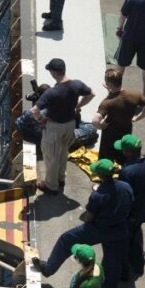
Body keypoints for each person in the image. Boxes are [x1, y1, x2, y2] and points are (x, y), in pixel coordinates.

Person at [33, 159, 132, 288]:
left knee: (66, 239)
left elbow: (88, 217)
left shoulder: (97, 195)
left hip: (98, 229)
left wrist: (83, 216)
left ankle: (48, 269)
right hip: (119, 229)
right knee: (112, 265)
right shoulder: (126, 187)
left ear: (99, 175)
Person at [31, 58, 94, 194]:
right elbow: (91, 94)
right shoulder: (77, 85)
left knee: (51, 156)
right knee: (63, 152)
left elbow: (34, 110)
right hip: (70, 125)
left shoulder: (52, 92)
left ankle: (51, 186)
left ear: (53, 72)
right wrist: (78, 106)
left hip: (55, 127)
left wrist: (40, 119)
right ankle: (60, 179)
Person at [116, 134, 145, 281]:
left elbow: (123, 196)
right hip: (142, 209)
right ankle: (139, 266)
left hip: (129, 214)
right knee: (137, 239)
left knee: (123, 243)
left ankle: (123, 273)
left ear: (128, 153)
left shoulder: (127, 172)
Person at [92, 70, 145, 162]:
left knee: (106, 158)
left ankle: (106, 172)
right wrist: (138, 118)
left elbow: (95, 120)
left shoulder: (107, 103)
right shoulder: (134, 94)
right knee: (123, 154)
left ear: (108, 83)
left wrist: (101, 126)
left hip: (110, 134)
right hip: (126, 130)